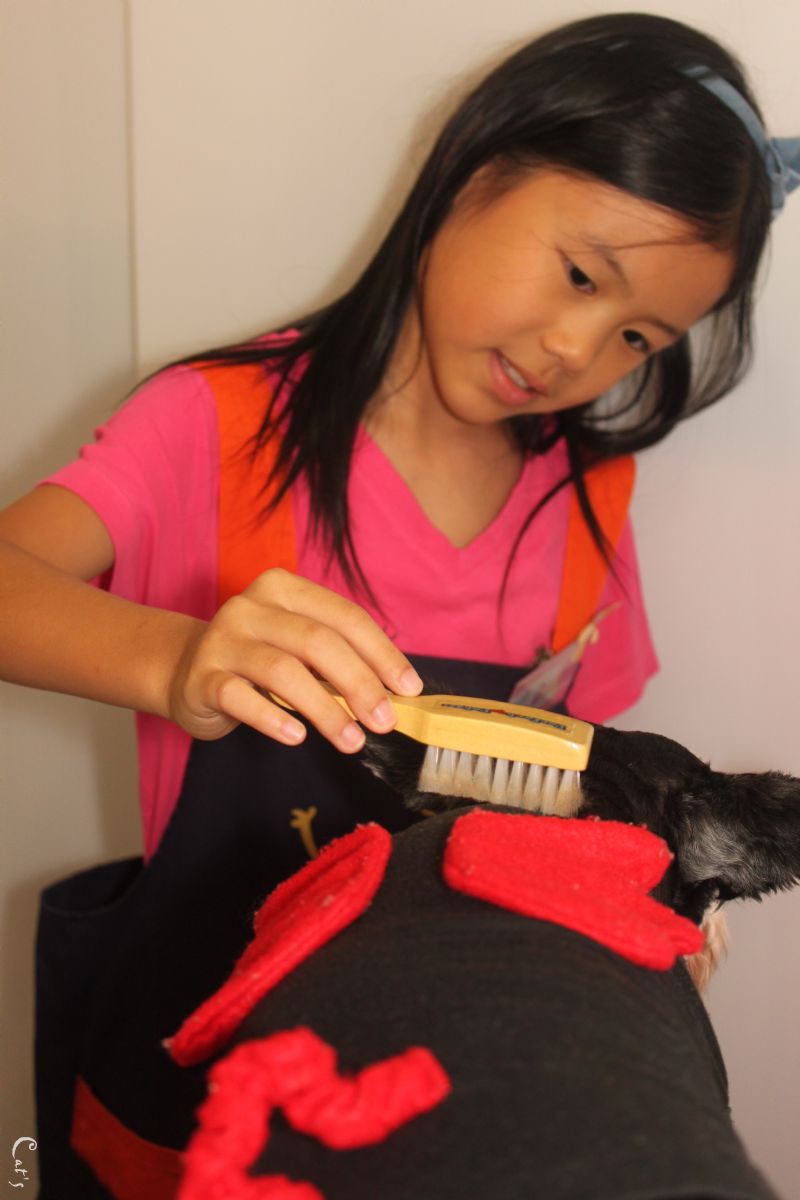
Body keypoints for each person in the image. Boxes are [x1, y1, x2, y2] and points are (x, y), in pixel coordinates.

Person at [2, 12, 798, 1197]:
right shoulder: (213, 424)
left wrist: (647, 897)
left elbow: (585, 784)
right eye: (581, 274)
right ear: (472, 172)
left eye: (635, 334)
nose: (575, 347)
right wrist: (176, 661)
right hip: (188, 1074)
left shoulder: (585, 501)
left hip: (431, 1095)